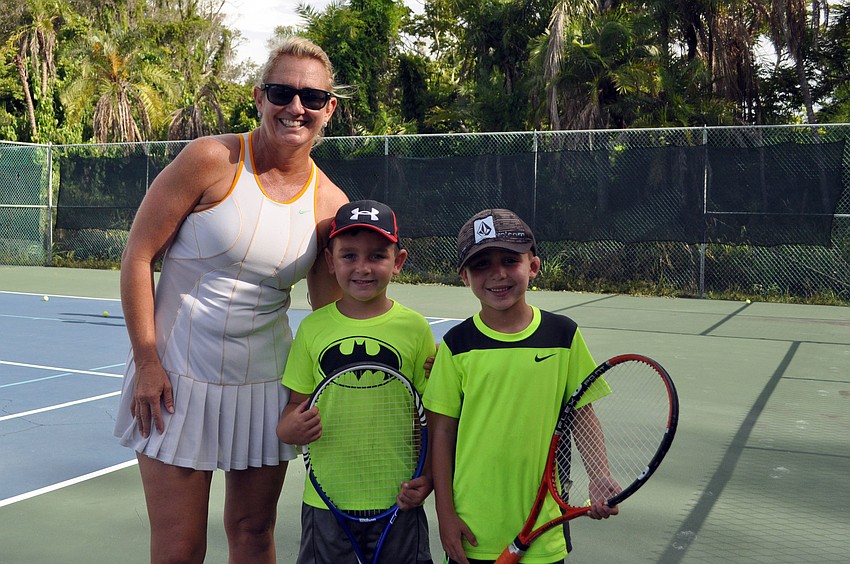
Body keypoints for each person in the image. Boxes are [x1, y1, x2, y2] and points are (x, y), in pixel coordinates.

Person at [112, 36, 348, 563]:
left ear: (328, 109)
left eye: (312, 98)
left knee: (252, 534)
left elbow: (331, 317)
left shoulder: (331, 204)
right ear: (259, 97)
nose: (296, 107)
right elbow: (137, 257)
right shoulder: (210, 159)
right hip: (173, 381)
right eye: (282, 92)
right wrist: (147, 362)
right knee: (179, 546)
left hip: (266, 390)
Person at [423, 209, 619, 564]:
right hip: (473, 530)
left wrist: (600, 475)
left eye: (510, 260)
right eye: (481, 265)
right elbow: (441, 435)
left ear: (533, 266)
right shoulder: (456, 345)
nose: (497, 274)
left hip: (544, 532)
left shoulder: (564, 336)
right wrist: (445, 515)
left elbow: (582, 415)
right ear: (465, 276)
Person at [277, 199, 436, 564]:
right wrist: (290, 429)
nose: (362, 267)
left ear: (397, 262)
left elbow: (428, 415)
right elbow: (291, 411)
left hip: (398, 499)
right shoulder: (313, 329)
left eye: (377, 256)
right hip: (327, 502)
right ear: (330, 262)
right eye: (349, 256)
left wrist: (426, 478)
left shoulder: (414, 328)